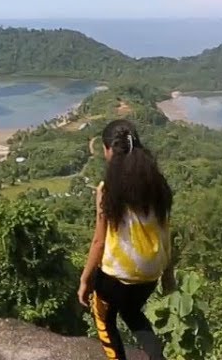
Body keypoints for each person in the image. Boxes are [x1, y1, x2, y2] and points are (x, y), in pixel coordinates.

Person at [78, 119, 175, 360]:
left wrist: (85, 281)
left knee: (102, 315)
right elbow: (165, 231)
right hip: (151, 272)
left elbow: (99, 242)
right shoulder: (157, 185)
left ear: (109, 150)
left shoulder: (108, 189)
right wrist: (168, 276)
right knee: (132, 312)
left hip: (118, 275)